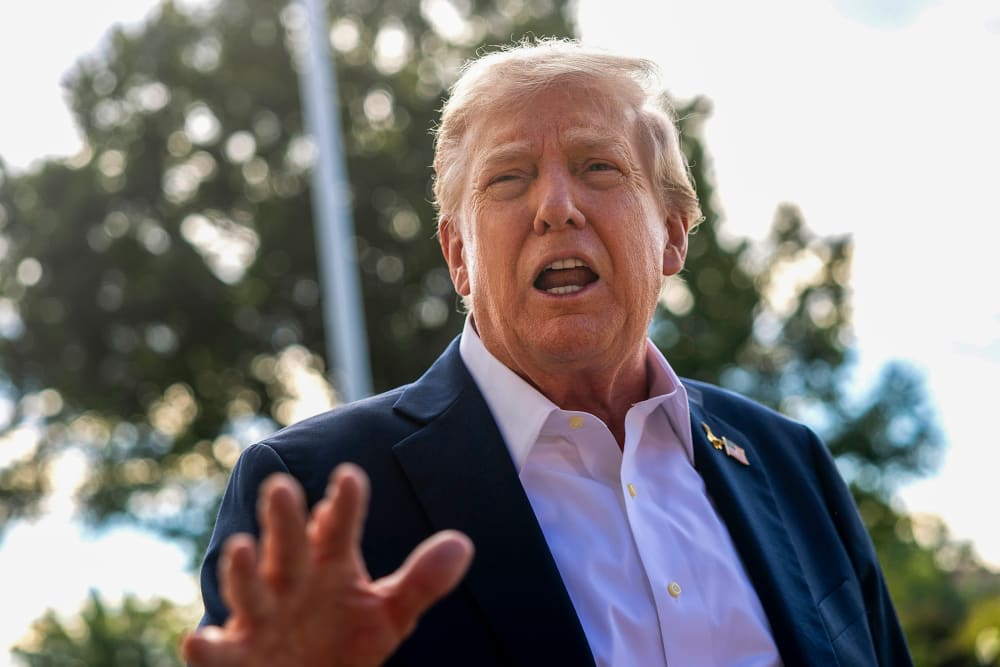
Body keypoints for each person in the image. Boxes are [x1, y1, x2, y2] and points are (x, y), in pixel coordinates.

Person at [183, 39, 912, 666]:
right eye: (509, 177)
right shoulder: (311, 489)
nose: (556, 206)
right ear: (458, 253)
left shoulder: (792, 464)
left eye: (599, 167)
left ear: (673, 232)